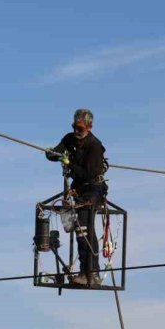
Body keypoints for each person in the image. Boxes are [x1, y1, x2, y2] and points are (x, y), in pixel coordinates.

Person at [45, 108, 107, 287]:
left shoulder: (95, 146)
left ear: (89, 126)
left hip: (93, 189)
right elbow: (57, 151)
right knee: (81, 230)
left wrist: (69, 164)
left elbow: (88, 174)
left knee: (85, 231)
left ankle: (91, 273)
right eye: (74, 127)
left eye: (80, 128)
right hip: (79, 190)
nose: (76, 131)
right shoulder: (69, 138)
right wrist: (51, 154)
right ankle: (87, 273)